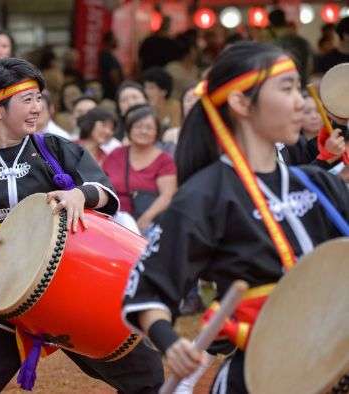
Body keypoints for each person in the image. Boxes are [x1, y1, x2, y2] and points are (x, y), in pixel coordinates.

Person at [0, 57, 163, 393]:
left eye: (39, 99)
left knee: (145, 375)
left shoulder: (52, 148)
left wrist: (81, 194)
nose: (37, 108)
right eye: (27, 100)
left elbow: (102, 190)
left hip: (64, 279)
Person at [122, 42, 349, 394]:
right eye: (286, 89)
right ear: (241, 103)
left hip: (333, 363)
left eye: (298, 89)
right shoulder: (204, 196)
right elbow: (147, 288)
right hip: (260, 374)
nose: (301, 103)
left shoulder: (317, 183)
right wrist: (172, 343)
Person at [103, 104, 176, 231]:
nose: (143, 131)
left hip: (147, 225)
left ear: (157, 132)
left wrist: (146, 218)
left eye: (149, 128)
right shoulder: (116, 154)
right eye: (138, 127)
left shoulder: (165, 161)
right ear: (129, 129)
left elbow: (167, 195)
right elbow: (101, 184)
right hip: (111, 221)